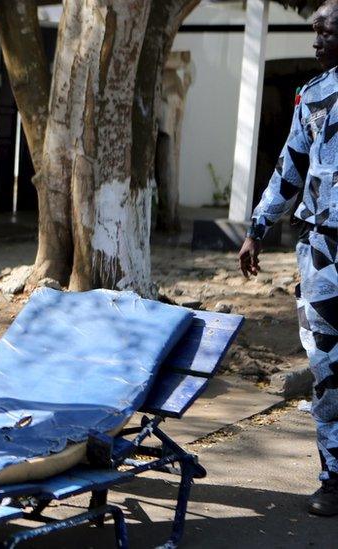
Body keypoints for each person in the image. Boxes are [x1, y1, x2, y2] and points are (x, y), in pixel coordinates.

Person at [238, 0, 338, 517]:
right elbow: (288, 169)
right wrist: (257, 230)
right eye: (314, 33)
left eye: (327, 33)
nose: (316, 42)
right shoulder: (313, 98)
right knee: (326, 368)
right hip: (323, 253)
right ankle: (334, 478)